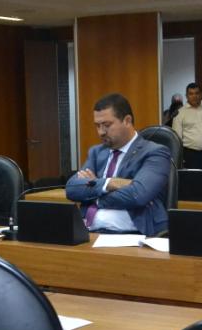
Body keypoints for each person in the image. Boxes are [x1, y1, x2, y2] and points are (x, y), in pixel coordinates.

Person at [66, 93, 171, 235]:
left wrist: (94, 194)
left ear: (127, 121)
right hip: (89, 232)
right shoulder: (97, 152)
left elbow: (138, 195)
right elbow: (72, 188)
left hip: (134, 235)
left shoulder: (155, 152)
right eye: (97, 126)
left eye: (106, 125)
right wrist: (108, 183)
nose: (101, 132)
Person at [172, 82, 202, 169]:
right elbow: (177, 138)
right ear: (186, 96)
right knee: (195, 177)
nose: (194, 96)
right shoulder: (180, 113)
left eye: (197, 93)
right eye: (191, 94)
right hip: (191, 155)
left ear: (201, 94)